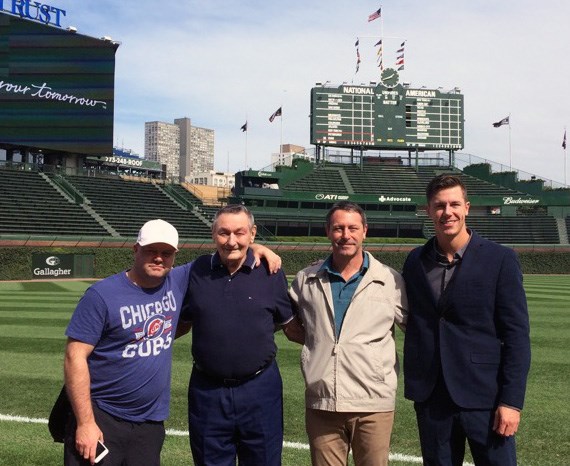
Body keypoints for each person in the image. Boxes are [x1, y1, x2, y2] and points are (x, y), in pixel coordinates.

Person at [63, 218, 280, 466]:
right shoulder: (101, 295)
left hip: (149, 423)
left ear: (175, 255)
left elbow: (230, 248)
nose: (158, 258)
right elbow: (74, 357)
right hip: (103, 416)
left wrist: (256, 247)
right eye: (150, 251)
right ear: (136, 250)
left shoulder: (179, 279)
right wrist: (85, 422)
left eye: (166, 253)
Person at [402, 174, 531, 466]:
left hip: (485, 396)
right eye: (439, 206)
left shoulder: (500, 259)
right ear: (428, 210)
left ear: (467, 208)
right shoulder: (415, 261)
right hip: (433, 397)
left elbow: (516, 336)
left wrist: (511, 402)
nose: (447, 212)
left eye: (454, 204)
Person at [180, 204, 304, 466]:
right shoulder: (195, 271)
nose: (232, 241)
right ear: (213, 233)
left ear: (252, 233)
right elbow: (179, 322)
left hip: (260, 389)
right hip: (208, 391)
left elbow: (290, 327)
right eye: (224, 233)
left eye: (240, 232)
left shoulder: (271, 273)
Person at [289, 201, 408, 466]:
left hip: (373, 405)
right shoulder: (305, 279)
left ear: (365, 231)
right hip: (322, 403)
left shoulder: (390, 280)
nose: (346, 235)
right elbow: (289, 322)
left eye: (353, 228)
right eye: (338, 228)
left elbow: (416, 328)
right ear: (327, 232)